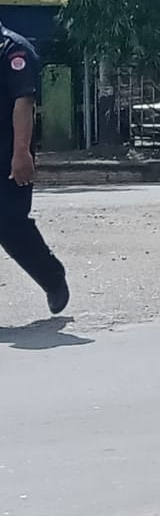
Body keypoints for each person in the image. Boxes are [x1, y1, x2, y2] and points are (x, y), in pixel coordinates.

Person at [0, 19, 69, 317]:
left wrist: (21, 153)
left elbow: (23, 103)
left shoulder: (14, 50)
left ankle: (52, 277)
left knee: (11, 226)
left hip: (7, 156)